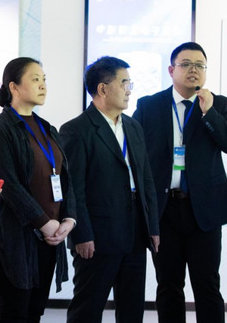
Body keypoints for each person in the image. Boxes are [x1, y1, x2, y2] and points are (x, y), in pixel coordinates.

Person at [133, 42, 227, 323]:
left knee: (207, 285)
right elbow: (132, 152)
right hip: (164, 210)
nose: (194, 70)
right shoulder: (149, 105)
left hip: (204, 210)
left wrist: (209, 112)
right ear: (171, 70)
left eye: (199, 65)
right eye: (186, 64)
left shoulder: (218, 104)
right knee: (169, 285)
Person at [60, 56, 160, 323]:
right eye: (124, 83)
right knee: (87, 309)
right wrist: (82, 234)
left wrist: (152, 227)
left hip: (135, 232)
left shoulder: (133, 127)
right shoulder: (76, 130)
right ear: (103, 89)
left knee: (132, 310)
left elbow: (146, 180)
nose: (129, 90)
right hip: (97, 237)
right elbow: (73, 189)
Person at [0, 57, 77, 323]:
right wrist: (43, 222)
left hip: (50, 237)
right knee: (14, 312)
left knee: (34, 312)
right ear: (13, 86)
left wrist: (69, 219)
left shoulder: (47, 128)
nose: (43, 85)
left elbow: (65, 178)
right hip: (17, 236)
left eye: (44, 79)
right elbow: (8, 185)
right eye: (35, 79)